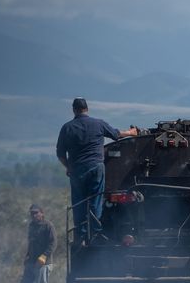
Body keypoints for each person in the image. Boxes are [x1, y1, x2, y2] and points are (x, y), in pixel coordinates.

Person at [56, 98, 137, 244]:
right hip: (96, 167)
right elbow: (116, 134)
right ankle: (96, 233)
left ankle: (80, 236)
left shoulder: (67, 128)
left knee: (79, 202)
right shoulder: (98, 123)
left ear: (74, 110)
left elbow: (60, 154)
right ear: (87, 109)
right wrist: (131, 132)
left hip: (77, 169)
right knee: (96, 201)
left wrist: (68, 166)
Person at [19, 204, 56, 283]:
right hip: (31, 261)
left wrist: (44, 256)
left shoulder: (48, 225)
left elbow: (53, 243)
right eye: (32, 213)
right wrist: (27, 256)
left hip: (44, 263)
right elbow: (31, 243)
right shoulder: (31, 226)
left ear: (42, 213)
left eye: (36, 213)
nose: (33, 215)